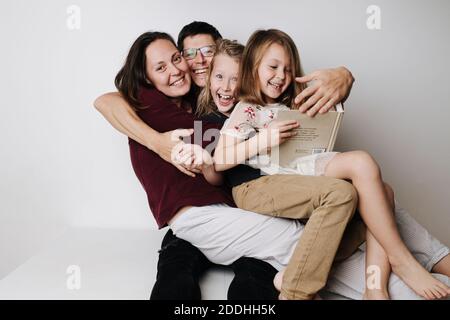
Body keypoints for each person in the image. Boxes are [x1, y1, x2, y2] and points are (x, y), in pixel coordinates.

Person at [94, 21, 356, 300]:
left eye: (207, 51)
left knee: (260, 271)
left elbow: (284, 92)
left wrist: (344, 75)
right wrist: (158, 143)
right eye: (189, 53)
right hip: (200, 213)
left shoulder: (238, 98)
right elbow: (106, 101)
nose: (198, 61)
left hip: (242, 207)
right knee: (177, 267)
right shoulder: (159, 102)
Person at [212, 29, 450, 300]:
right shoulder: (247, 108)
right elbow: (220, 160)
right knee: (348, 185)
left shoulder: (292, 102)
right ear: (253, 68)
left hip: (298, 166)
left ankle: (375, 286)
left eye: (288, 70)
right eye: (273, 67)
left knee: (382, 191)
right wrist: (262, 140)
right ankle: (398, 261)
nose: (281, 76)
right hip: (269, 177)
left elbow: (331, 95)